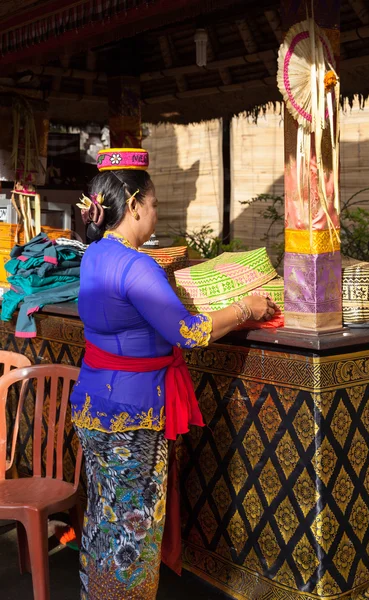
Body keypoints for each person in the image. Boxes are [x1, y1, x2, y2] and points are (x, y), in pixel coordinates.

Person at [70, 148, 276, 600]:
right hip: (133, 413)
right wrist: (246, 307)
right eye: (156, 204)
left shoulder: (94, 255)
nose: (156, 213)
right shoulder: (137, 265)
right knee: (133, 528)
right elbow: (189, 332)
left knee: (104, 517)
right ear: (135, 203)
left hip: (92, 404)